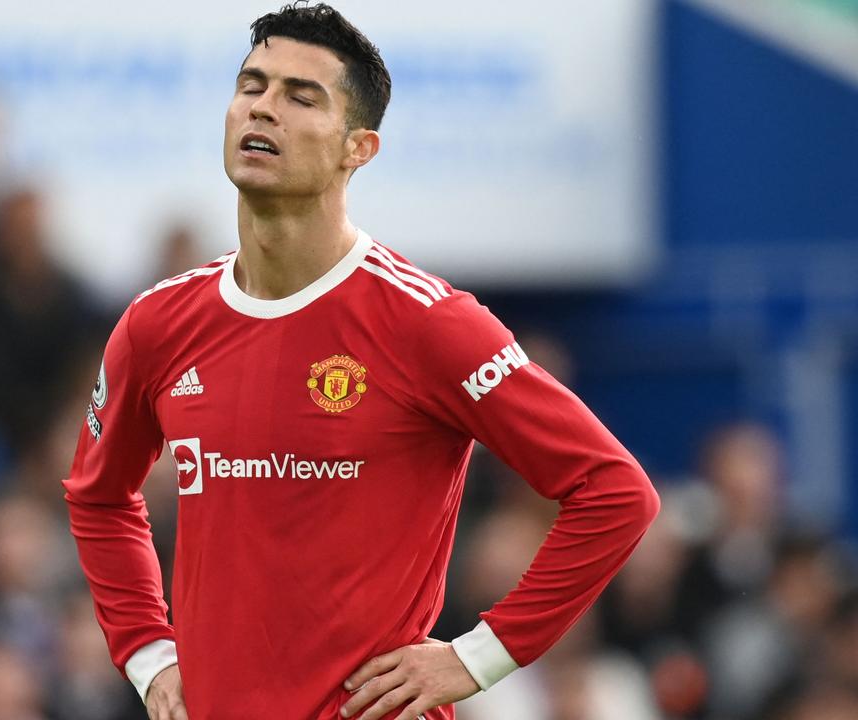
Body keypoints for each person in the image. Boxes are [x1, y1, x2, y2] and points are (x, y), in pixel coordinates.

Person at [62, 4, 660, 719]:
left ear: (359, 148)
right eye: (251, 85)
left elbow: (615, 492)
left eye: (300, 96)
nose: (264, 107)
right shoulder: (157, 325)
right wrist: (148, 654)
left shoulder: (427, 324)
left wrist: (478, 657)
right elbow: (98, 496)